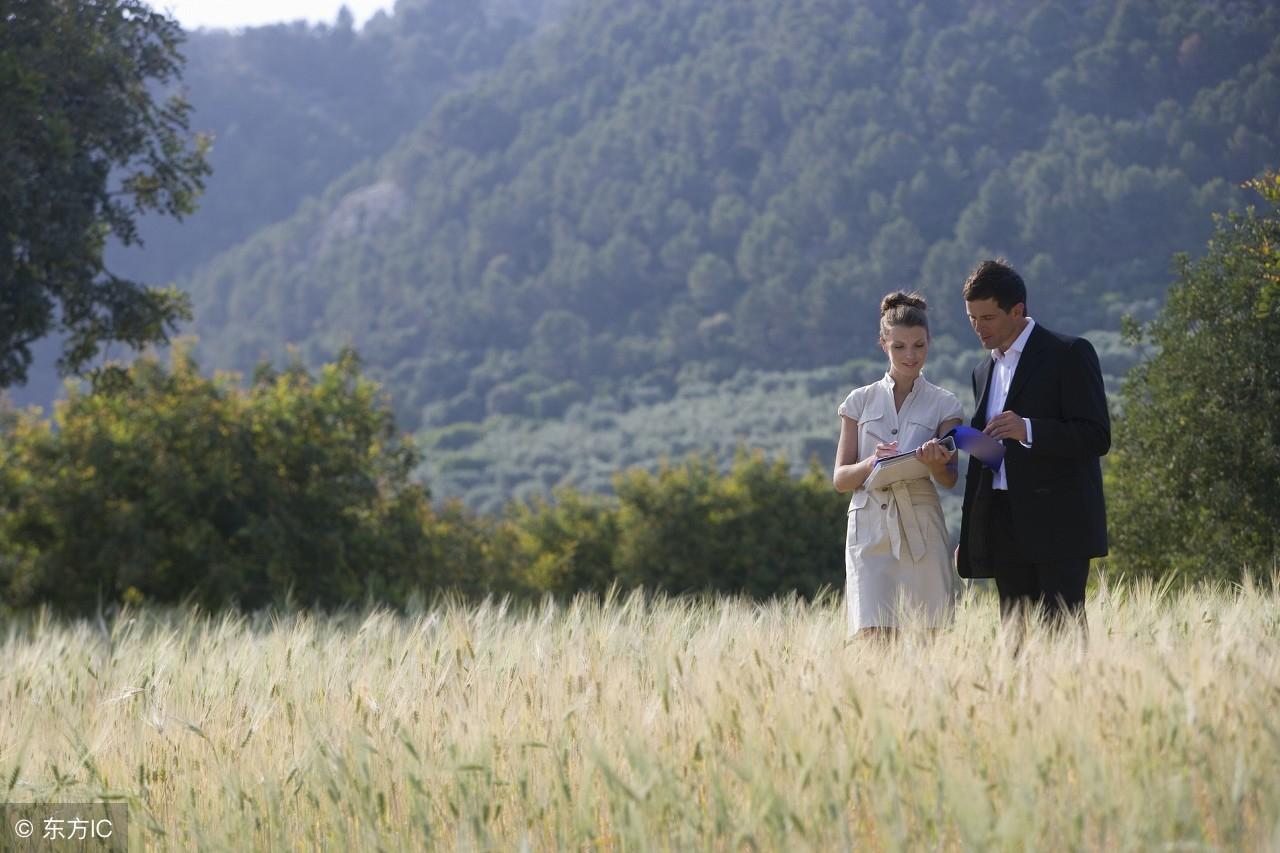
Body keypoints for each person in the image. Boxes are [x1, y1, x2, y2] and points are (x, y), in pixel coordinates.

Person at [956, 259, 1110, 633]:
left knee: (1064, 636)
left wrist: (1028, 429)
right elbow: (996, 455)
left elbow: (1096, 436)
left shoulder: (1069, 353)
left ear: (1018, 310)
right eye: (972, 318)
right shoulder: (981, 371)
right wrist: (961, 443)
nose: (978, 327)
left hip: (1059, 525)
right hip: (1002, 523)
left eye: (987, 318)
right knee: (1015, 643)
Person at [834, 291, 964, 638]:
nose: (911, 356)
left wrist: (935, 462)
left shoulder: (945, 403)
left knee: (930, 637)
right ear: (883, 344)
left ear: (929, 342)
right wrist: (873, 462)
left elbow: (950, 478)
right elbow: (841, 478)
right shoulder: (857, 402)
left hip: (922, 525)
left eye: (919, 346)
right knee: (874, 638)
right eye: (900, 347)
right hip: (870, 524)